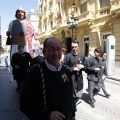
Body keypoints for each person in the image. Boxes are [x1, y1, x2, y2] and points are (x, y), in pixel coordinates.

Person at [20, 37, 76, 120]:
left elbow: (71, 97)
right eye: (51, 49)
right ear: (44, 52)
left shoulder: (65, 71)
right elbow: (25, 104)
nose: (56, 53)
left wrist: (73, 115)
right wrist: (47, 115)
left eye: (58, 49)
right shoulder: (35, 73)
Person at [6, 7, 35, 82]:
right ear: (16, 14)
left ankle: (26, 76)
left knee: (25, 61)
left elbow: (32, 34)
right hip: (15, 45)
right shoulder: (12, 22)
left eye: (22, 12)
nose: (20, 13)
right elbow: (9, 32)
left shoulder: (28, 23)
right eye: (18, 12)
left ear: (24, 13)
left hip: (25, 45)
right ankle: (15, 78)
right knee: (15, 61)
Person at [63, 40, 86, 109]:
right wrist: (73, 69)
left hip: (79, 78)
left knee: (79, 94)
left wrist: (82, 66)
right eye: (73, 47)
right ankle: (72, 106)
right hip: (71, 78)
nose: (74, 49)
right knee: (71, 94)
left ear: (78, 47)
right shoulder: (67, 56)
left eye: (75, 47)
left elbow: (86, 65)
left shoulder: (82, 56)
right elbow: (64, 67)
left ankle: (73, 103)